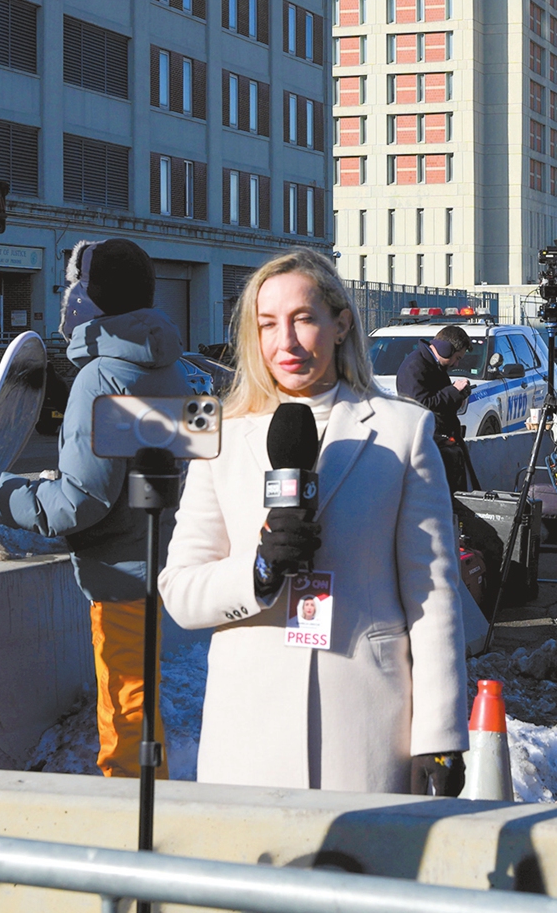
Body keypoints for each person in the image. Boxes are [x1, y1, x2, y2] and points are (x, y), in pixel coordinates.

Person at [158, 250, 468, 794]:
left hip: (366, 725)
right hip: (249, 732)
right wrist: (257, 571)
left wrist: (439, 733)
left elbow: (433, 591)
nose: (287, 342)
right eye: (267, 324)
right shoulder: (222, 435)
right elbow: (181, 592)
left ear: (340, 323)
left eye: (303, 319)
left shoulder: (404, 431)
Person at [0, 239, 191, 779]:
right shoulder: (169, 367)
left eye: (72, 286)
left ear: (91, 296)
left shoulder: (101, 377)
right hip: (158, 555)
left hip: (120, 571)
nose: (65, 297)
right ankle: (152, 800)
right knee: (140, 701)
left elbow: (78, 502)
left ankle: (136, 812)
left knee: (126, 712)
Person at [394, 324, 475, 492]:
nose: (456, 363)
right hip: (428, 446)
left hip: (439, 441)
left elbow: (438, 399)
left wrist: (458, 396)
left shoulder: (433, 366)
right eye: (457, 357)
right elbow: (421, 404)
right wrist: (453, 391)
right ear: (446, 349)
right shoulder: (415, 367)